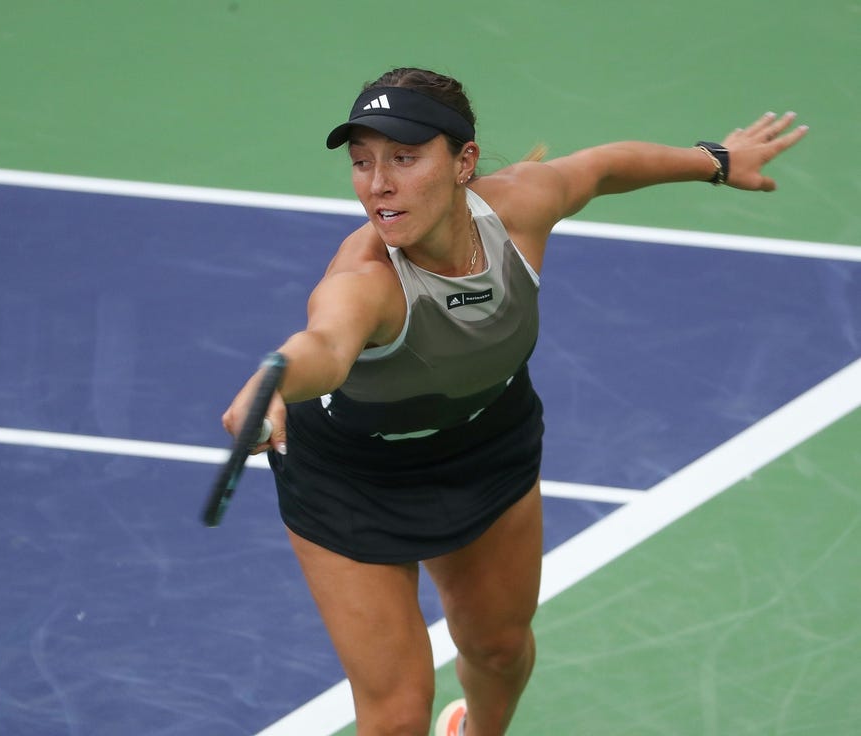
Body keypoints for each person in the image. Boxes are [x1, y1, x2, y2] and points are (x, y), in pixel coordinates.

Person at [221, 67, 807, 735]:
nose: (377, 185)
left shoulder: (518, 207)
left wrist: (717, 161)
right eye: (362, 163)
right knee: (395, 718)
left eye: (404, 159)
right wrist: (271, 380)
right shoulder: (365, 280)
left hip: (484, 446)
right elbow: (322, 347)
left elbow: (603, 168)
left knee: (499, 649)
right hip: (353, 482)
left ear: (464, 161)